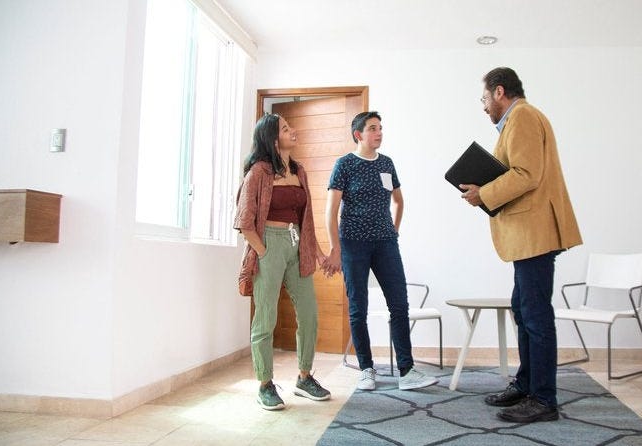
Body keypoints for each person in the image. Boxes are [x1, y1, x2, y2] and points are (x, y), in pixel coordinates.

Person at [459, 67, 582, 424]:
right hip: (529, 233)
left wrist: (484, 193)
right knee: (523, 309)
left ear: (499, 92)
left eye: (484, 98)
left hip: (536, 232)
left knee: (535, 314)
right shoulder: (518, 120)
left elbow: (528, 174)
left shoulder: (524, 116)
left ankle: (544, 399)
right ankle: (527, 385)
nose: (483, 107)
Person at [324, 111, 438, 391]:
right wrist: (335, 248)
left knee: (399, 304)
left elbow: (398, 201)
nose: (379, 133)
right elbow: (331, 211)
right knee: (358, 307)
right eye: (373, 128)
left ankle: (407, 370)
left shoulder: (386, 164)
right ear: (358, 135)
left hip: (386, 244)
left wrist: (393, 230)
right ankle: (366, 369)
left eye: (380, 128)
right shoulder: (345, 165)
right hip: (353, 244)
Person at [234, 113, 332, 411]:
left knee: (310, 314)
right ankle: (265, 384)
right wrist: (263, 252)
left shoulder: (299, 170)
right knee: (266, 317)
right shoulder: (258, 173)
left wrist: (317, 252)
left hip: (297, 243)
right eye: (286, 129)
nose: (294, 131)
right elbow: (244, 221)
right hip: (270, 245)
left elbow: (308, 218)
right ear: (273, 139)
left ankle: (304, 378)